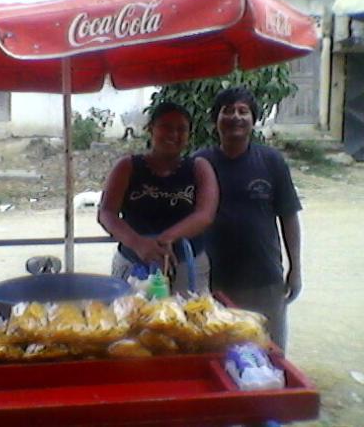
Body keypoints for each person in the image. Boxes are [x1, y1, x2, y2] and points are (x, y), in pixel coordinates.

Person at [194, 87, 302, 350]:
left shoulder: (271, 161)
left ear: (254, 120)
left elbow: (289, 216)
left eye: (243, 111)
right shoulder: (199, 163)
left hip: (264, 278)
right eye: (228, 111)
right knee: (218, 354)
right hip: (213, 282)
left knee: (268, 353)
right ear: (216, 120)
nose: (236, 117)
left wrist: (295, 269)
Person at [98, 101, 218, 293]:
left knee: (187, 312)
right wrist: (138, 244)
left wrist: (166, 238)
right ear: (150, 129)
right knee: (131, 311)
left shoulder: (199, 168)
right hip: (133, 265)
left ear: (189, 135)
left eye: (181, 129)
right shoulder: (127, 167)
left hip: (187, 265)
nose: (173, 134)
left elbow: (205, 215)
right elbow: (106, 213)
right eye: (166, 127)